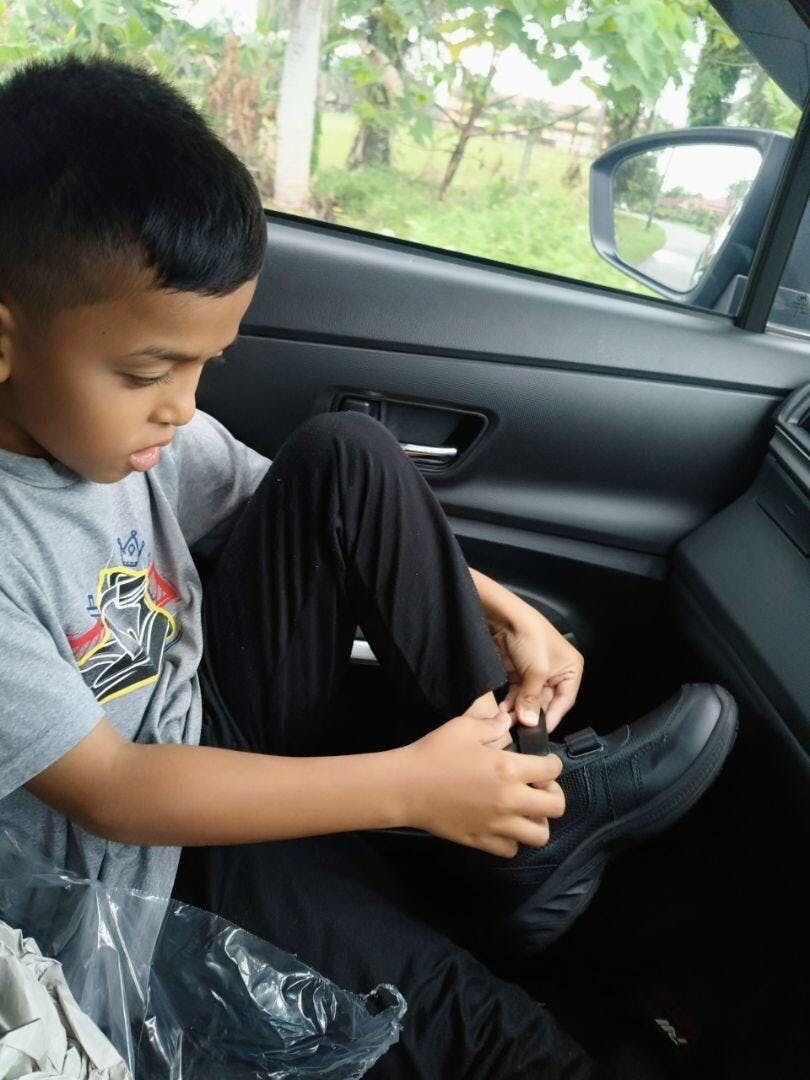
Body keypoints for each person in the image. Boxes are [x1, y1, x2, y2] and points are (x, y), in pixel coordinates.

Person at [0, 53, 737, 1079]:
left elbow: (284, 497)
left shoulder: (130, 435)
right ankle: (494, 828)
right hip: (150, 874)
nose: (183, 405)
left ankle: (528, 813)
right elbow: (114, 790)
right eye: (150, 370)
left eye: (206, 363)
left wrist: (497, 605)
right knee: (499, 1043)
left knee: (347, 457)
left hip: (211, 722)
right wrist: (405, 789)